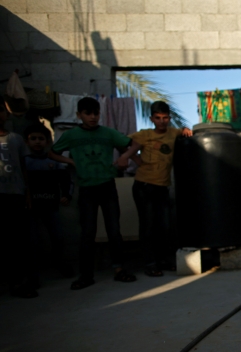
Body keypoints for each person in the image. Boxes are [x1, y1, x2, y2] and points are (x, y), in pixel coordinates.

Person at [49, 97, 141, 290]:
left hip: (107, 186)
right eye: (88, 113)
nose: (92, 117)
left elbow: (134, 144)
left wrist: (124, 156)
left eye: (96, 113)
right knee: (87, 233)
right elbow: (52, 152)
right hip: (86, 188)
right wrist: (72, 163)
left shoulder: (108, 133)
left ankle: (119, 270)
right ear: (79, 115)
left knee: (114, 230)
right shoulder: (72, 135)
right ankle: (86, 275)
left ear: (100, 114)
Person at [128, 101, 192, 277]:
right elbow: (124, 143)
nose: (162, 121)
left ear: (169, 118)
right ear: (152, 119)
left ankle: (164, 261)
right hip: (144, 186)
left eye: (165, 118)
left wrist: (186, 130)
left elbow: (185, 131)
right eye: (158, 118)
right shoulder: (144, 135)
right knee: (148, 227)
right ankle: (150, 263)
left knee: (164, 227)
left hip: (163, 187)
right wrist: (137, 160)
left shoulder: (173, 133)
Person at [24, 123, 74, 285]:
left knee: (58, 237)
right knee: (32, 241)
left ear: (47, 142)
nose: (37, 142)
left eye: (41, 139)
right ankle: (32, 275)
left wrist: (67, 194)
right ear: (27, 142)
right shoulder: (24, 162)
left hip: (51, 205)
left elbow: (66, 179)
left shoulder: (53, 161)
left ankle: (61, 265)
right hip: (30, 207)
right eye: (33, 139)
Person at [0, 99, 35, 298]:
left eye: (1, 110)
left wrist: (27, 194)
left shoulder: (15, 139)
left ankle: (20, 282)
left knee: (18, 241)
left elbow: (24, 168)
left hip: (15, 195)